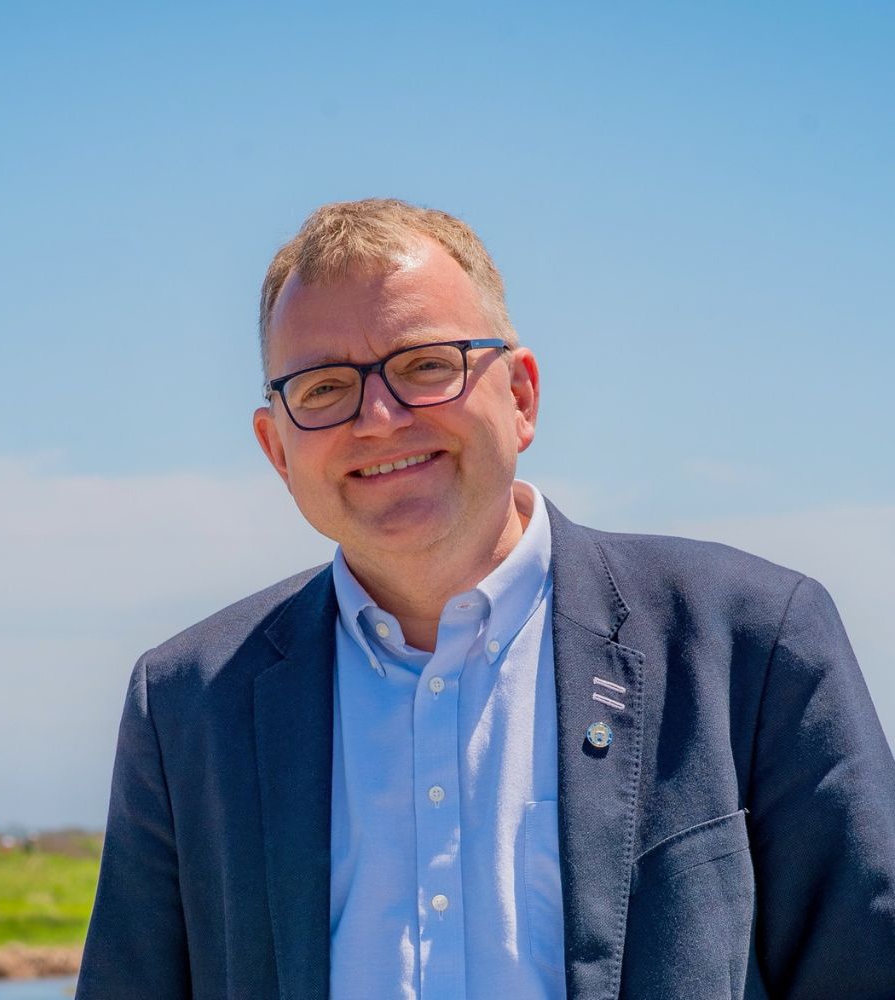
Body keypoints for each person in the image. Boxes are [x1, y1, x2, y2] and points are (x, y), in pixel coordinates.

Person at [76, 199, 895, 1000]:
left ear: (522, 396)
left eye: (426, 365)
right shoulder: (186, 703)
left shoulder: (750, 639)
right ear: (276, 449)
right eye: (324, 388)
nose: (380, 417)